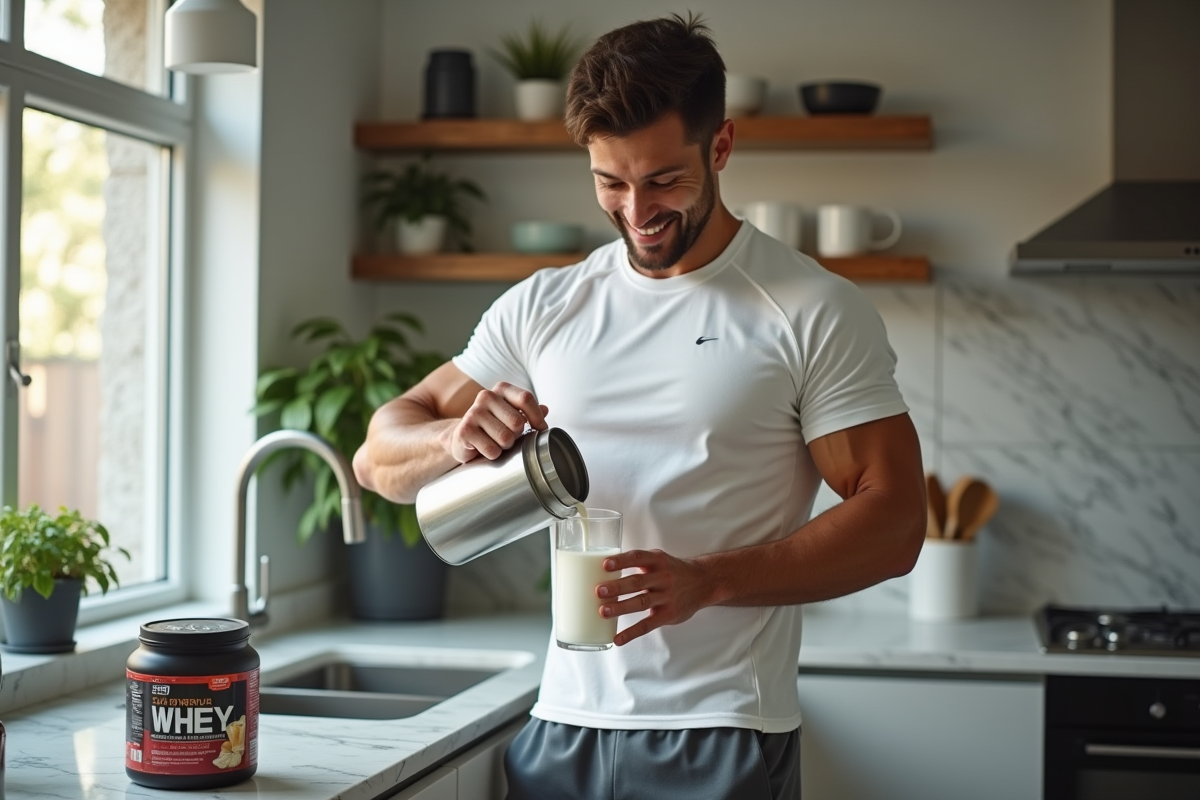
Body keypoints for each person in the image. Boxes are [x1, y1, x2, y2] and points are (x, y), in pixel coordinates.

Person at [353, 13, 925, 800]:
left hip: (723, 732)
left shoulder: (810, 309)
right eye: (609, 182)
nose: (635, 210)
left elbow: (895, 522)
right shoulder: (547, 304)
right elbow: (378, 457)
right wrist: (454, 435)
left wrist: (708, 582)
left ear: (719, 147)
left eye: (663, 180)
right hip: (562, 726)